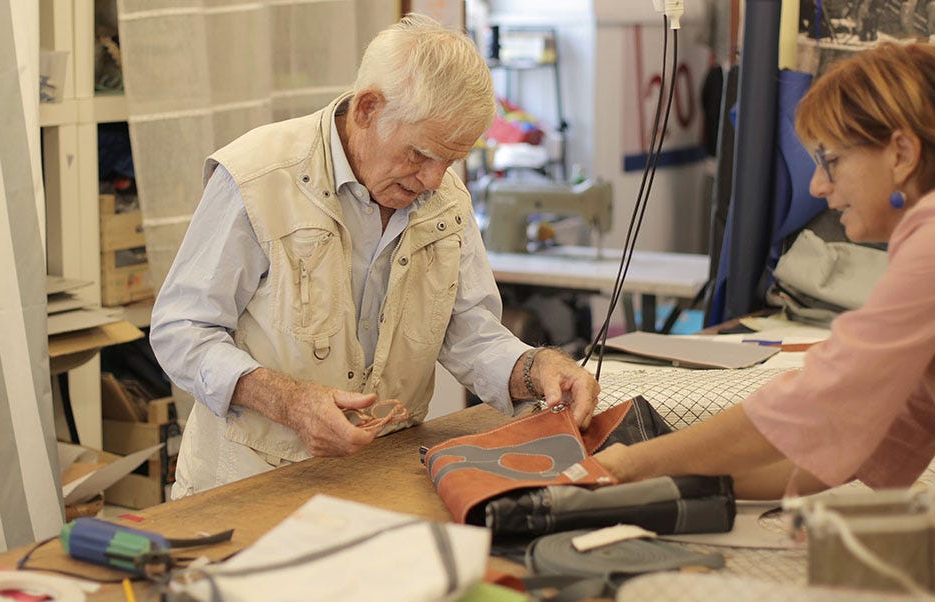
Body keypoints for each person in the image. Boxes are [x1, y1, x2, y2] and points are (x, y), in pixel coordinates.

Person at [151, 14, 599, 498]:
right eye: (420, 154)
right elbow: (182, 329)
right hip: (248, 482)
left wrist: (536, 369)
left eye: (450, 160)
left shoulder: (444, 197)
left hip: (383, 473)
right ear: (366, 109)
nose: (433, 179)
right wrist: (288, 402)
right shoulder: (259, 177)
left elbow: (469, 332)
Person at [595, 42, 935, 522]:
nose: (817, 187)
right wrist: (649, 481)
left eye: (831, 161)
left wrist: (634, 461)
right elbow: (843, 458)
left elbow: (820, 399)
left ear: (902, 153)